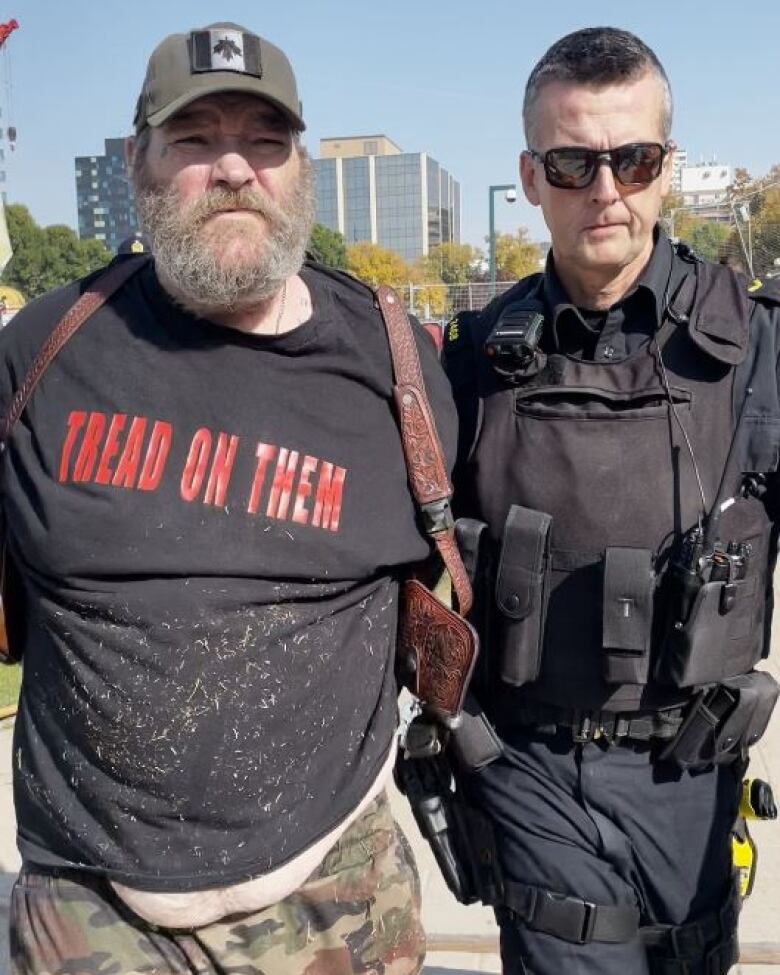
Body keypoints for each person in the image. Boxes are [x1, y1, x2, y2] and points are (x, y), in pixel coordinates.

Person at [1, 22, 456, 975]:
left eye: (264, 139)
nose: (234, 168)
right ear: (138, 162)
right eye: (195, 138)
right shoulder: (41, 350)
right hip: (88, 909)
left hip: (337, 897)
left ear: (301, 168)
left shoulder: (399, 366)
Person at [442, 27, 780, 975]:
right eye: (573, 161)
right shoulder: (469, 361)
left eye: (632, 160)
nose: (605, 191)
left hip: (693, 772)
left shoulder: (755, 348)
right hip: (530, 768)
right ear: (531, 172)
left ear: (666, 166)